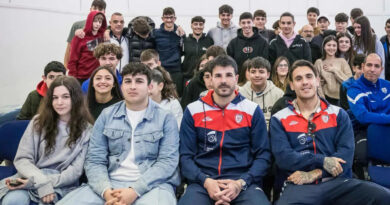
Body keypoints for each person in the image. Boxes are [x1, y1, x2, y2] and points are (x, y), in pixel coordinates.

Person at [270, 59, 390, 205]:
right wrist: (321, 160)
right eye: (298, 79)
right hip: (299, 185)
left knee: (384, 196)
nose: (305, 82)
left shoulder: (338, 114)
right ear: (292, 86)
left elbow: (345, 158)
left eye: (309, 77)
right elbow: (284, 158)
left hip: (337, 182)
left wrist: (316, 173)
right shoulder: (279, 118)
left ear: (318, 81)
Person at [57, 62, 180, 205]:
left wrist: (135, 190)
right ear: (122, 87)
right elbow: (94, 160)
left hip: (152, 185)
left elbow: (167, 162)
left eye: (139, 81)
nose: (132, 86)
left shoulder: (166, 118)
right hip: (109, 182)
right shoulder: (107, 115)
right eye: (128, 81)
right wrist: (106, 192)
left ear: (149, 87)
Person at [179, 55, 271, 205]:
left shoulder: (252, 110)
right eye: (218, 76)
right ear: (209, 79)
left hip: (242, 183)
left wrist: (241, 182)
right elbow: (185, 157)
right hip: (202, 183)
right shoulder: (193, 110)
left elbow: (263, 156)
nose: (223, 80)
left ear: (236, 78)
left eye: (228, 75)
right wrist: (206, 181)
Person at [0, 76, 93, 205]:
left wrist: (38, 183)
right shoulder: (38, 122)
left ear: (75, 99)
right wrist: (38, 181)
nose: (59, 102)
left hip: (61, 185)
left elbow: (74, 172)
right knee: (12, 201)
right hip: (30, 176)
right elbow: (22, 159)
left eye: (65, 97)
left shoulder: (87, 130)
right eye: (55, 97)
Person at [239, 57, 284, 128]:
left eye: (261, 72)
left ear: (268, 74)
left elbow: (282, 121)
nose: (257, 75)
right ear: (249, 74)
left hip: (271, 135)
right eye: (253, 72)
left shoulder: (279, 94)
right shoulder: (240, 94)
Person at [64, 0, 106, 69]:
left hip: (97, 70)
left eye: (100, 9)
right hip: (79, 70)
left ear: (104, 12)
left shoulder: (106, 29)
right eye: (94, 8)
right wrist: (66, 68)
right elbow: (69, 49)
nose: (97, 11)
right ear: (90, 9)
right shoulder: (77, 25)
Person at [68, 11, 107, 84]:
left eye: (100, 22)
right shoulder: (79, 37)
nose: (97, 24)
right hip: (81, 78)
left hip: (96, 76)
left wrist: (107, 31)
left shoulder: (102, 36)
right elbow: (72, 60)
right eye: (95, 21)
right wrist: (72, 78)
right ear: (89, 21)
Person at [154, 7, 185, 96]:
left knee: (177, 95)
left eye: (171, 17)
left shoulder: (181, 33)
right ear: (162, 19)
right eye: (166, 17)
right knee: (161, 95)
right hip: (161, 69)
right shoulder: (156, 33)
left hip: (176, 70)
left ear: (175, 19)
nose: (169, 20)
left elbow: (183, 49)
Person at [314, 35, 352, 105]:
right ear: (324, 47)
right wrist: (323, 99)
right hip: (326, 99)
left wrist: (334, 70)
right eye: (329, 45)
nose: (331, 48)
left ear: (337, 47)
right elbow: (317, 83)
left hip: (342, 99)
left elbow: (349, 82)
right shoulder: (319, 62)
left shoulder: (342, 61)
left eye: (334, 45)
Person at [182, 16, 214, 83]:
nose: (198, 27)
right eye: (195, 24)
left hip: (204, 77)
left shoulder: (209, 41)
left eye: (201, 24)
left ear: (203, 26)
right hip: (187, 77)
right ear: (191, 25)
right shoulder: (185, 41)